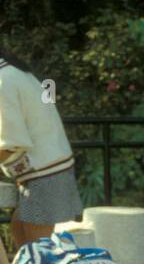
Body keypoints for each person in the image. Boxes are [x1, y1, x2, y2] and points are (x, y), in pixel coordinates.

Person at [0, 52, 83, 243]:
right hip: (48, 169)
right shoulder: (13, 72)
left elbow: (12, 142)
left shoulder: (3, 80)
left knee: (39, 252)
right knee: (20, 231)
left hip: (44, 174)